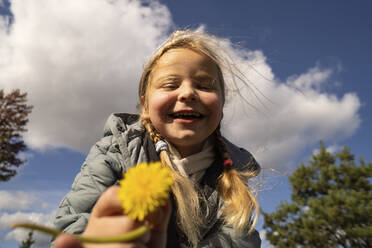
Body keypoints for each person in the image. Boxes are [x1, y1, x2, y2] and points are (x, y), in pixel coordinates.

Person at [53, 30, 261, 248]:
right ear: (145, 106)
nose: (188, 93)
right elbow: (70, 222)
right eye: (171, 84)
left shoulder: (236, 169)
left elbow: (240, 239)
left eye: (204, 86)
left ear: (221, 105)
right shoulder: (114, 150)